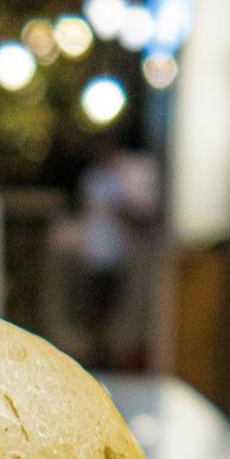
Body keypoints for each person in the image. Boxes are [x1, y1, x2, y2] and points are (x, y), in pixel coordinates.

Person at [77, 136, 159, 368]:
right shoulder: (98, 179)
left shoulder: (115, 177)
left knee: (112, 308)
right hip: (99, 254)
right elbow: (123, 211)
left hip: (114, 255)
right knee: (99, 307)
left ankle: (107, 354)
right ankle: (99, 353)